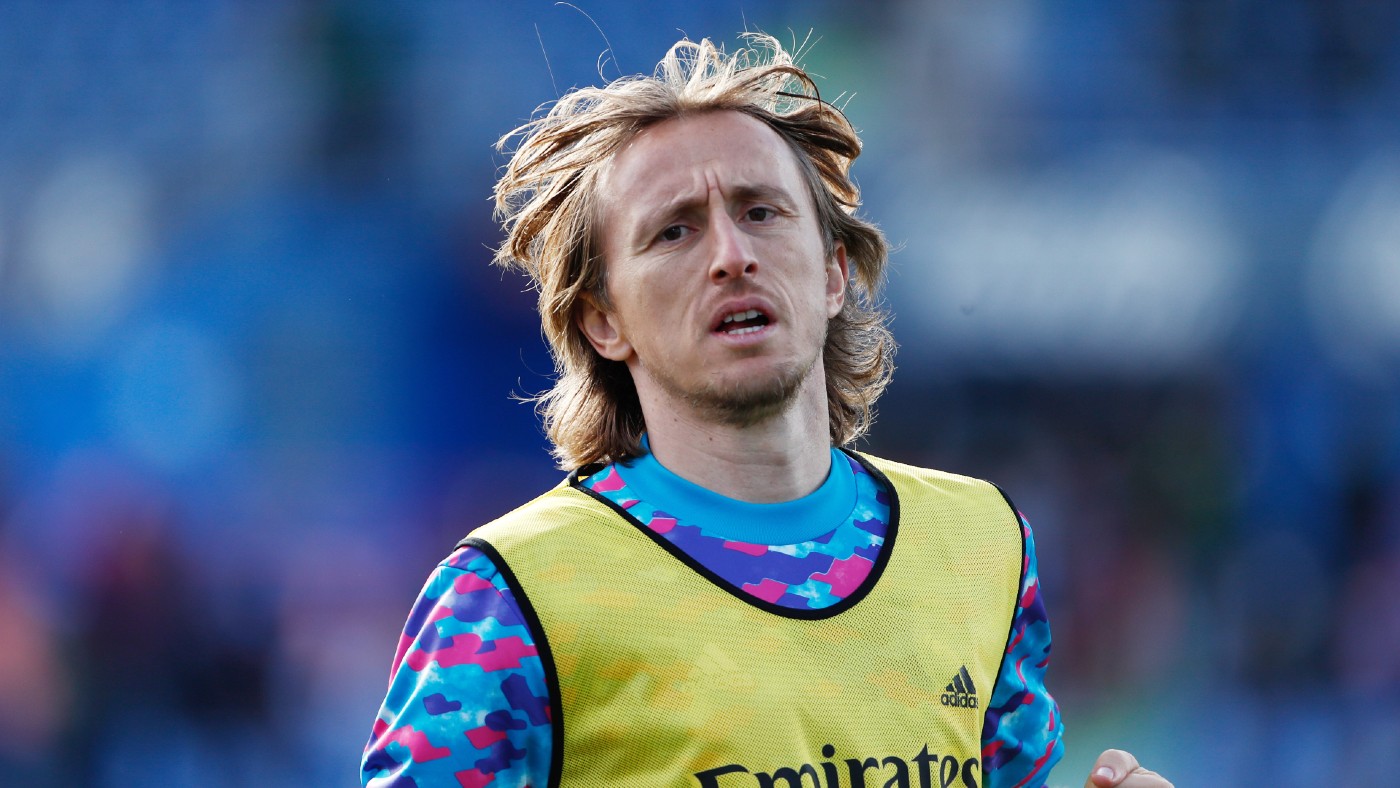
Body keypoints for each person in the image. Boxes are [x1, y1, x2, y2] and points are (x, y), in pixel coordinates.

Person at [362, 34, 1171, 788]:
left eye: (760, 211)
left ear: (832, 273)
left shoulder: (984, 546)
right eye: (674, 232)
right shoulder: (508, 595)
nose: (731, 255)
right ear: (603, 320)